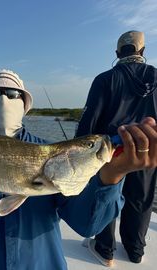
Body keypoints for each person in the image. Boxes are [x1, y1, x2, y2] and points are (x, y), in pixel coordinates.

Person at [0, 69, 157, 269]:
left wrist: (112, 175)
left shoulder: (53, 155)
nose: (3, 100)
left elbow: (88, 226)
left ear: (25, 105)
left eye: (12, 94)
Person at [76, 30, 157, 266]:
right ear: (142, 51)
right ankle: (135, 250)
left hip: (112, 152)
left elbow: (88, 121)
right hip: (148, 152)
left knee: (107, 194)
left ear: (117, 53)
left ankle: (105, 249)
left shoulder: (104, 79)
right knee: (141, 199)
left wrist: (79, 151)